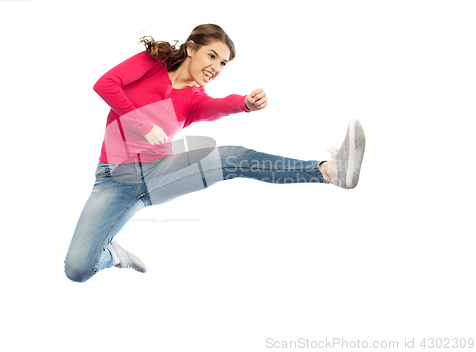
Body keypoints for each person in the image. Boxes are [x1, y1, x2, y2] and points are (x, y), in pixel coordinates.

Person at [64, 24, 366, 283]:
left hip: (160, 174)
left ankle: (328, 171)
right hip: (114, 179)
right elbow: (105, 85)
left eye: (223, 64)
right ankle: (113, 254)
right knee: (78, 269)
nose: (216, 67)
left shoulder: (194, 99)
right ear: (192, 48)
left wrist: (245, 103)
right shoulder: (152, 63)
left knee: (232, 157)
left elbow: (219, 106)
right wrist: (143, 125)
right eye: (213, 56)